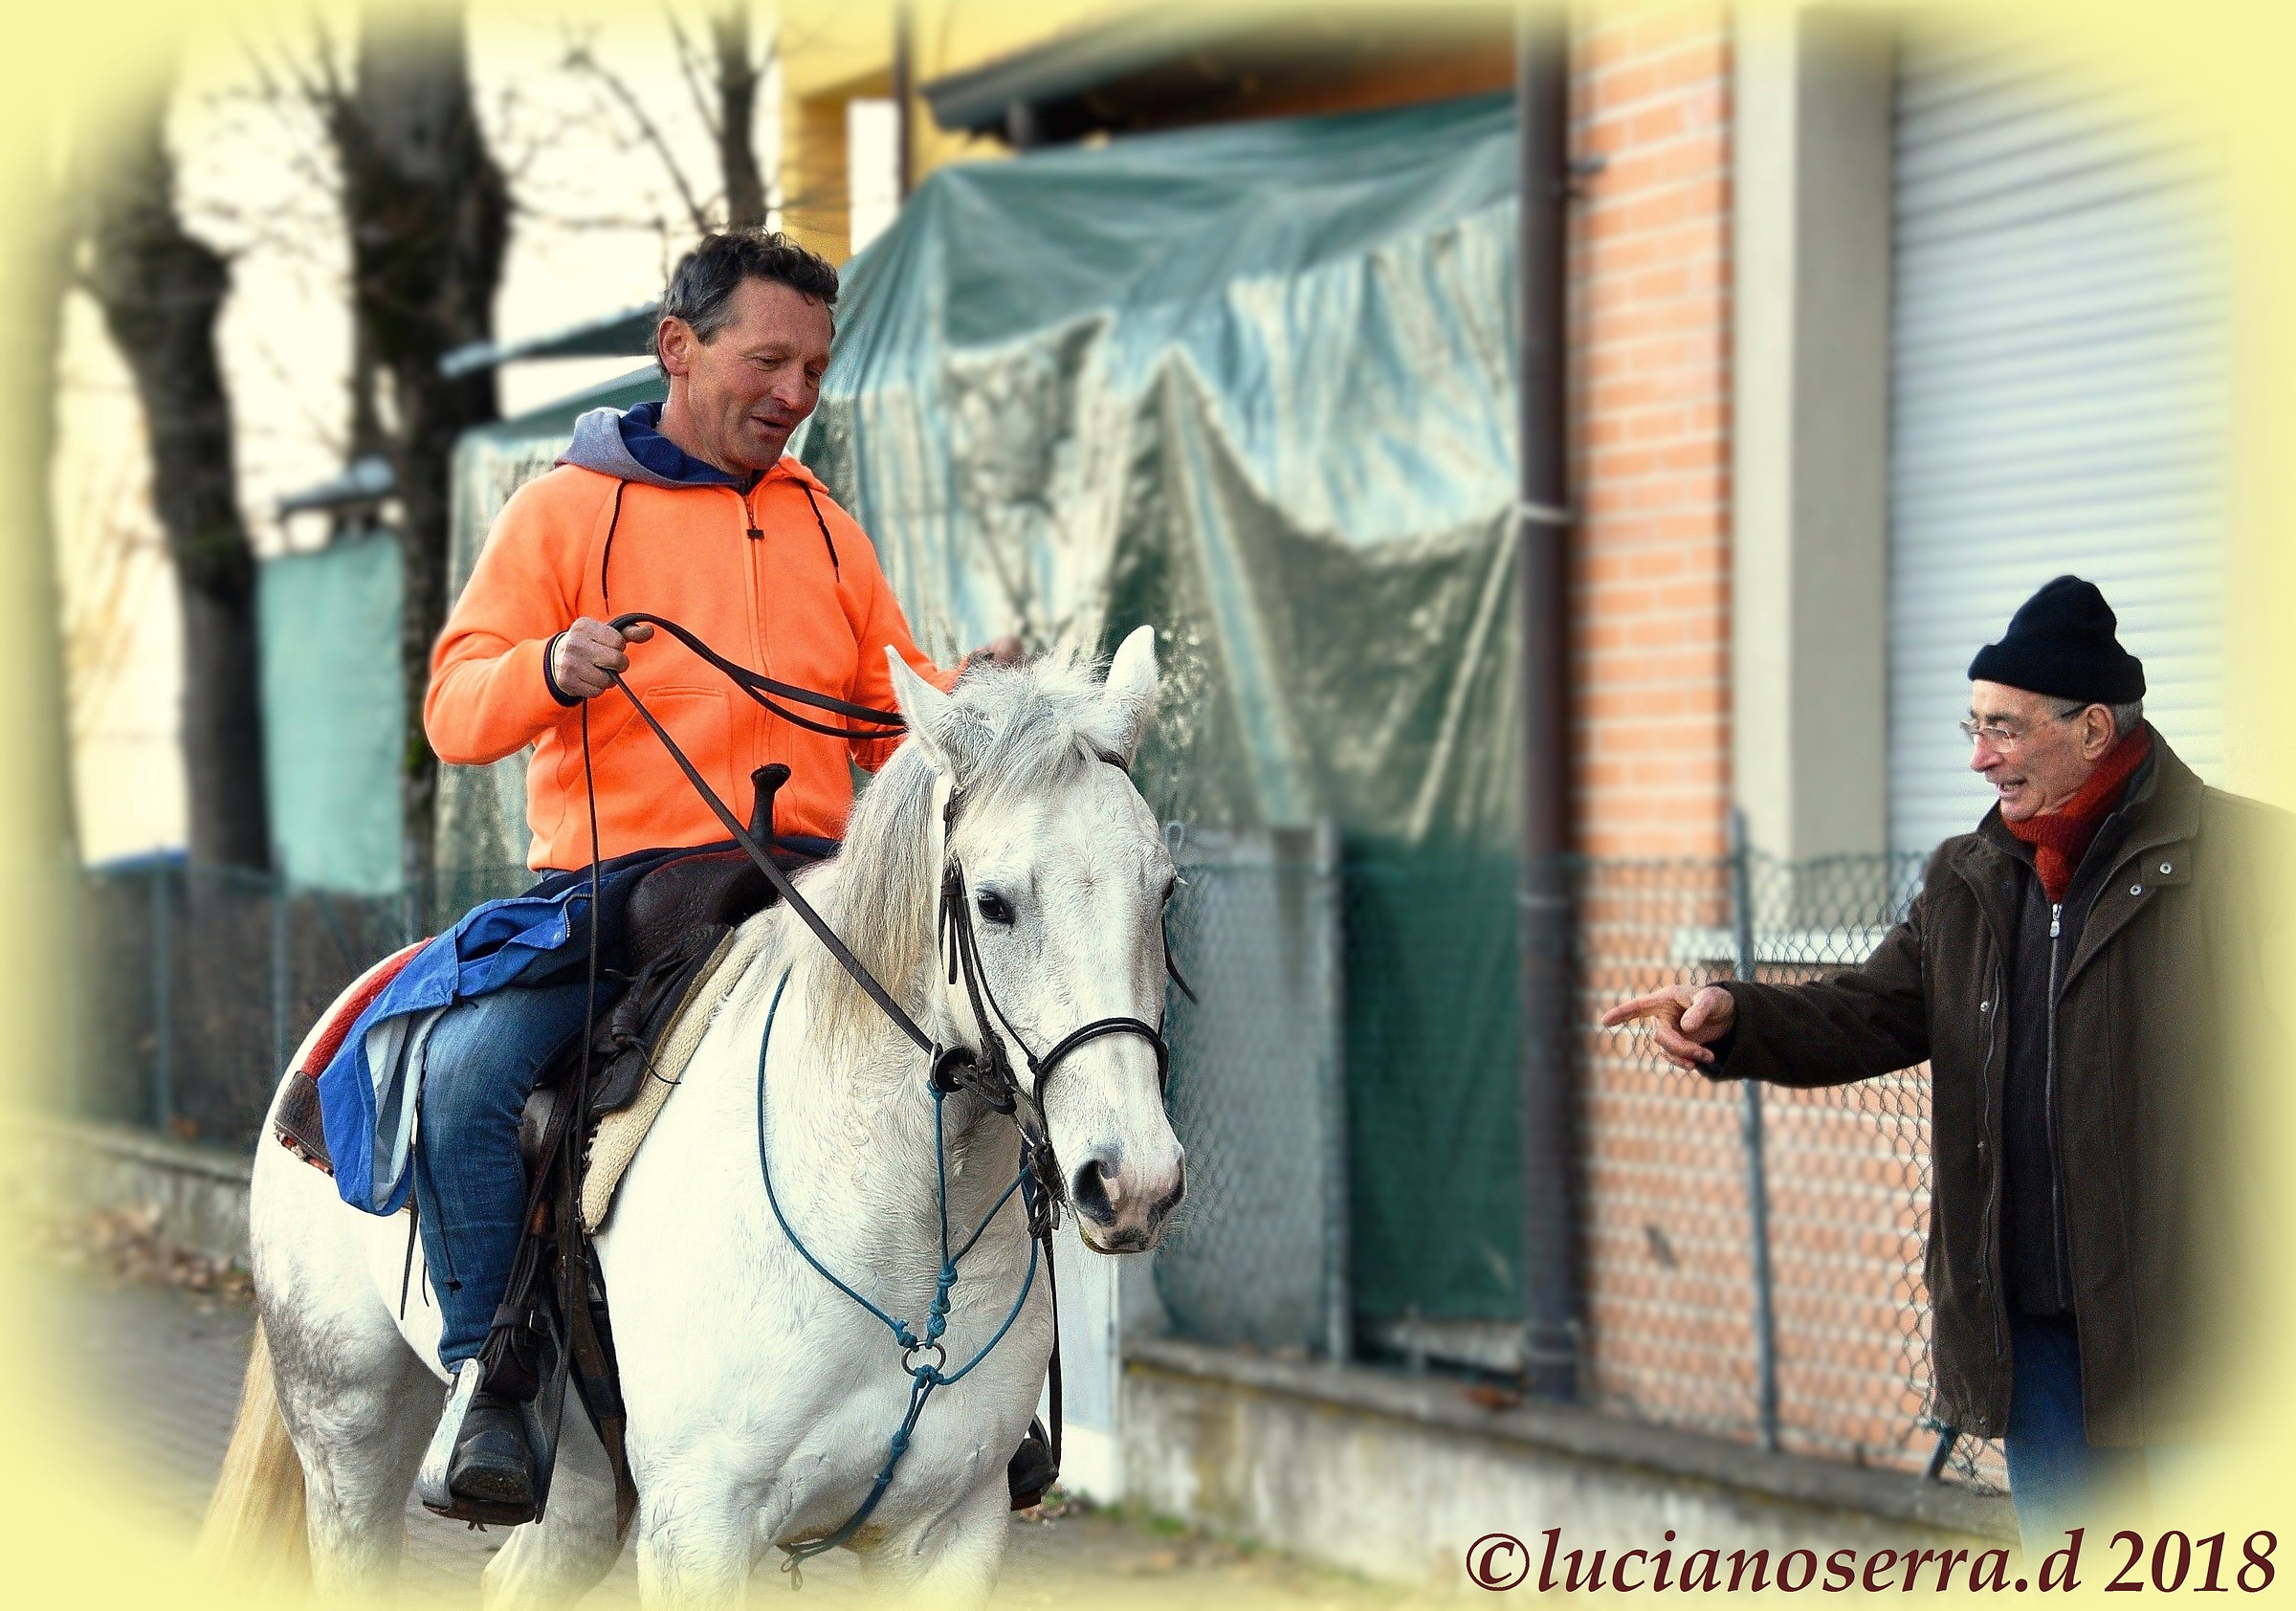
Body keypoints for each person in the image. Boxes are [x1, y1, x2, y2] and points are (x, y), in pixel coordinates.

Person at [411, 230, 1020, 1517]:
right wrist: (545, 671)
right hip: (611, 889)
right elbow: (455, 708)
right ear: (677, 348)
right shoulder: (563, 510)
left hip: (817, 887)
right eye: (769, 359)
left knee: (998, 1065)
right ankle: (498, 1382)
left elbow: (881, 720)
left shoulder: (827, 529)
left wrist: (973, 691)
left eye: (815, 366)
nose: (796, 393)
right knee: (466, 1078)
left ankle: (989, 1395)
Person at [1602, 576, 2283, 1552]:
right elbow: (1873, 1011)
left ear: (2093, 727)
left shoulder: (2251, 861)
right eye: (1975, 726)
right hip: (2034, 1331)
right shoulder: (1971, 876)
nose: (1978, 757)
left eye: (2003, 728)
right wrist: (1733, 1018)